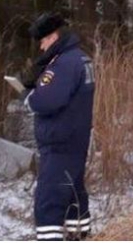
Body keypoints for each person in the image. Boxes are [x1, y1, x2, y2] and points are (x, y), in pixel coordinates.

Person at [22, 13, 95, 241]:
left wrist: (29, 97)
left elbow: (47, 101)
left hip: (60, 142)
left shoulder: (63, 64)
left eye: (43, 41)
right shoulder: (81, 58)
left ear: (53, 37)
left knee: (49, 199)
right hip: (75, 139)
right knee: (73, 193)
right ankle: (79, 234)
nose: (41, 47)